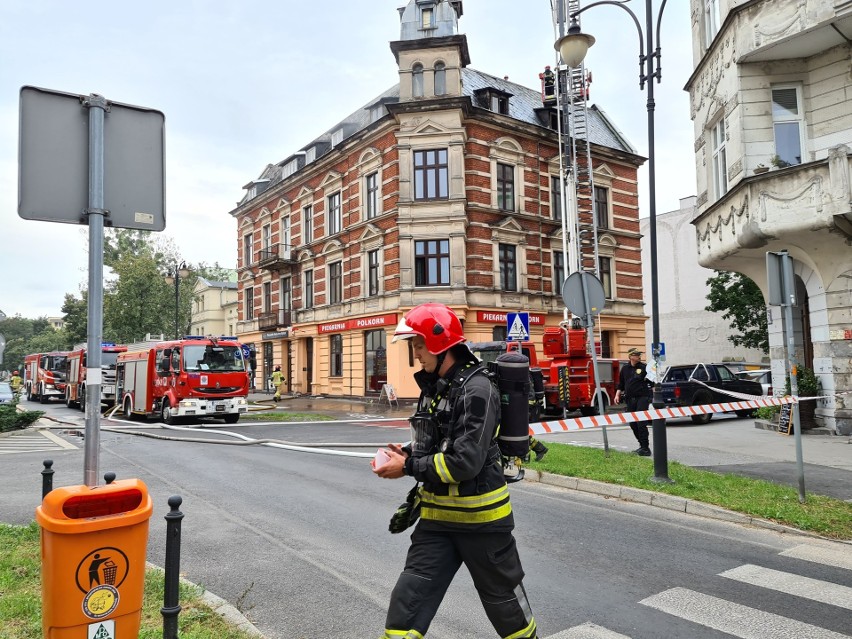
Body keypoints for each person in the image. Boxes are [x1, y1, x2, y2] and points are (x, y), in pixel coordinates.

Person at [373, 303, 538, 639]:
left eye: (418, 345)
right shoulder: (437, 387)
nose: (415, 354)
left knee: (506, 610)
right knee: (406, 606)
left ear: (439, 343)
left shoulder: (477, 389)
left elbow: (464, 463)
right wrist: (405, 452)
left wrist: (407, 466)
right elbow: (437, 441)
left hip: (482, 524)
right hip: (437, 522)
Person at [614, 347, 654, 456]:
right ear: (631, 356)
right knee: (632, 423)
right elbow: (621, 383)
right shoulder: (625, 368)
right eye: (637, 355)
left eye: (639, 354)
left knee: (641, 422)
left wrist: (654, 396)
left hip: (642, 398)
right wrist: (617, 395)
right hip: (630, 399)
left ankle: (646, 448)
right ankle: (641, 445)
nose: (639, 356)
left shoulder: (644, 367)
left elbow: (653, 382)